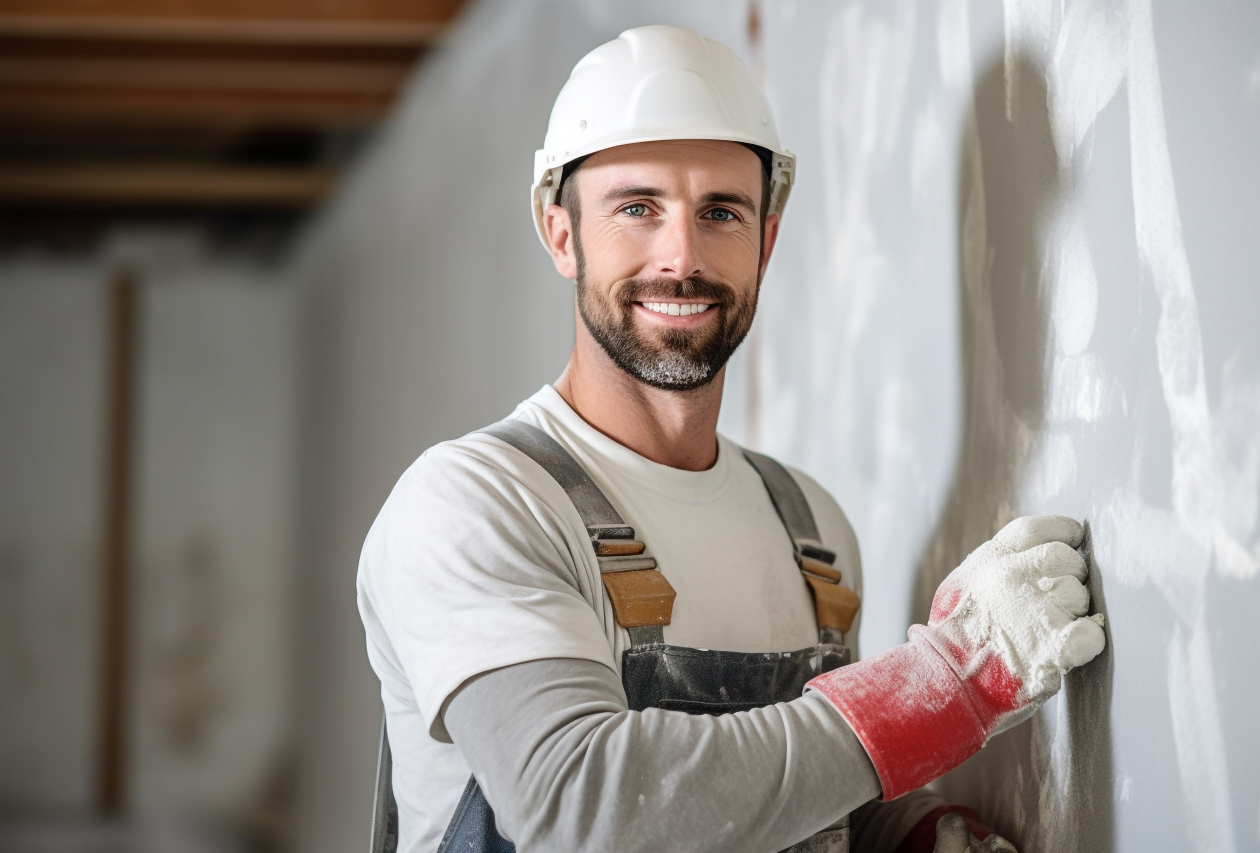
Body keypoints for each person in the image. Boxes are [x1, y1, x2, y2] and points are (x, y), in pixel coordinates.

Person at [357, 24, 1106, 853]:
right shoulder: (477, 502)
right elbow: (581, 805)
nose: (682, 256)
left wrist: (915, 834)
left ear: (766, 241)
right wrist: (947, 685)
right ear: (562, 233)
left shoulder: (811, 530)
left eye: (721, 211)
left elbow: (808, 804)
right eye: (637, 208)